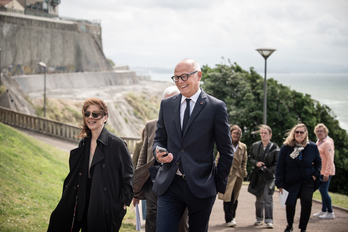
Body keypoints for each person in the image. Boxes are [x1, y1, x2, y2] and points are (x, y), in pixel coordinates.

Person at [153, 58, 234, 232]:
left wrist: (217, 184)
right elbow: (159, 138)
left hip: (201, 185)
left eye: (184, 77)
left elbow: (226, 151)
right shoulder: (166, 105)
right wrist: (158, 152)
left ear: (198, 76)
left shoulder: (216, 107)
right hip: (170, 183)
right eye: (176, 78)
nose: (180, 82)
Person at [47, 98, 134, 232]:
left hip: (105, 202)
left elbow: (128, 176)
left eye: (95, 114)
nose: (90, 117)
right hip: (83, 198)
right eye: (87, 114)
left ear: (105, 117)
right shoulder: (84, 143)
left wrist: (123, 203)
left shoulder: (117, 144)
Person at [132, 86, 189, 232]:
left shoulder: (189, 126)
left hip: (180, 183)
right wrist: (136, 189)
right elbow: (143, 158)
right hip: (155, 183)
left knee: (180, 224)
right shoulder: (151, 125)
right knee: (152, 221)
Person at [275, 123, 322, 232]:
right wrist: (280, 183)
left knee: (306, 202)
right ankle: (290, 225)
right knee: (290, 204)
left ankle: (303, 228)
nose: (299, 134)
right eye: (297, 132)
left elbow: (318, 162)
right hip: (290, 181)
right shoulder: (286, 147)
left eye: (301, 132)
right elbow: (280, 166)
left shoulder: (312, 147)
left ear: (306, 134)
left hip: (307, 180)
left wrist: (315, 175)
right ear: (293, 133)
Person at [216, 125, 248, 227]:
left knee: (235, 197)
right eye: (234, 133)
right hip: (228, 175)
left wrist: (243, 172)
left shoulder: (243, 146)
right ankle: (229, 218)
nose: (236, 135)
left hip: (238, 175)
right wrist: (220, 173)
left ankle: (232, 216)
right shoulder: (225, 145)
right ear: (230, 134)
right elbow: (218, 160)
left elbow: (244, 161)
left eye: (238, 133)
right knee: (228, 197)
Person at [248, 125, 279, 229]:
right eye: (261, 133)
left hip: (269, 177)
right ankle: (259, 218)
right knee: (259, 198)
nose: (263, 135)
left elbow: (277, 163)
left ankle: (269, 220)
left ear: (270, 135)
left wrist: (268, 170)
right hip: (258, 176)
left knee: (268, 198)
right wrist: (256, 163)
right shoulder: (255, 145)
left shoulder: (275, 147)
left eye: (265, 133)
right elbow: (250, 158)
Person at [313, 123, 335, 219]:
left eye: (321, 131)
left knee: (323, 191)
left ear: (325, 132)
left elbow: (330, 159)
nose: (319, 133)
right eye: (317, 131)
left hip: (327, 172)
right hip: (320, 171)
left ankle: (330, 212)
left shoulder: (327, 143)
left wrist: (326, 173)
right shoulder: (319, 142)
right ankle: (323, 210)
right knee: (322, 191)